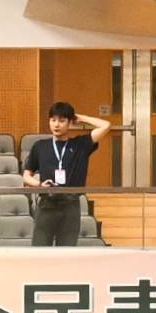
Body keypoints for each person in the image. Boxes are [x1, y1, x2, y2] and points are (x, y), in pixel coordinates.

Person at [21, 96, 100, 247]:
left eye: (62, 120)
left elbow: (105, 126)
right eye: (53, 120)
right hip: (47, 203)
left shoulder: (80, 145)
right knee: (40, 250)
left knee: (67, 251)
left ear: (70, 122)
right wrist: (39, 185)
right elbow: (26, 176)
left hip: (70, 204)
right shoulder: (40, 146)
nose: (56, 124)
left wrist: (80, 117)